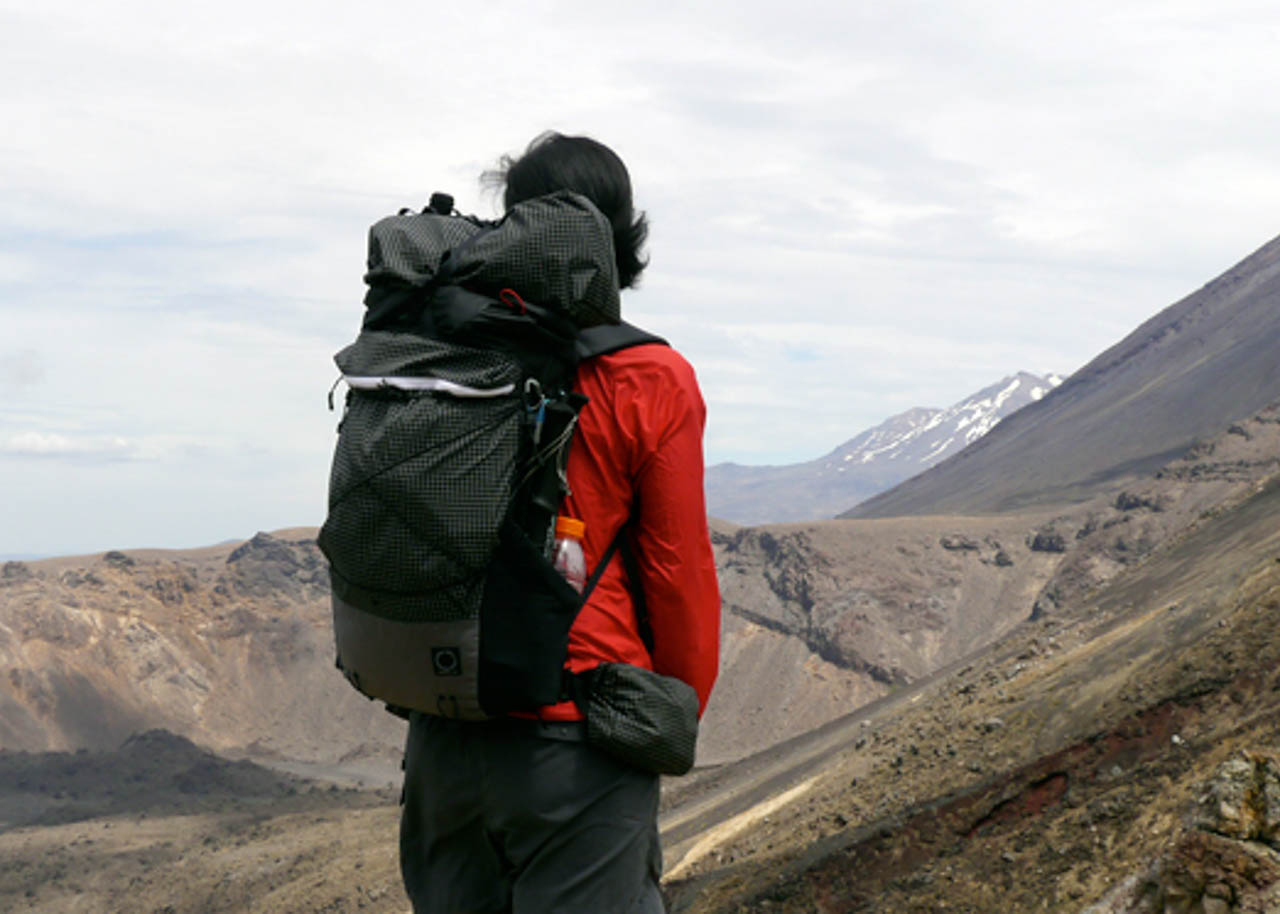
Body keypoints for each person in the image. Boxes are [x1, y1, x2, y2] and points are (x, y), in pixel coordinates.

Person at [397, 132, 721, 914]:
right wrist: (666, 712)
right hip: (575, 742)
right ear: (619, 238)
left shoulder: (434, 354)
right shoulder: (647, 378)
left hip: (443, 741)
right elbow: (678, 577)